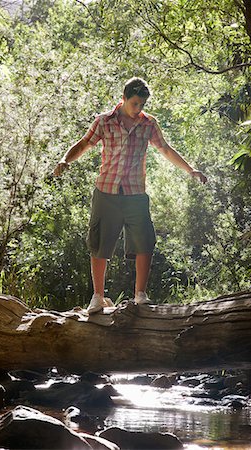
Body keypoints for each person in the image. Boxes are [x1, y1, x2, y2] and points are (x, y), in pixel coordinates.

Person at [53, 77, 207, 313]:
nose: (138, 109)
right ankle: (97, 297)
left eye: (142, 104)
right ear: (123, 98)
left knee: (145, 242)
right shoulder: (104, 121)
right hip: (106, 191)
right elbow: (84, 144)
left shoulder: (148, 124)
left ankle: (140, 296)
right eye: (135, 103)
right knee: (99, 243)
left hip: (136, 193)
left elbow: (165, 149)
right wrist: (65, 159)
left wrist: (190, 170)